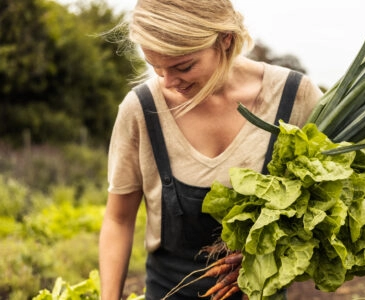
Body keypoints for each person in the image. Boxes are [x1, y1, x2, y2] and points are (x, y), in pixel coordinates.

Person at [98, 0, 323, 299]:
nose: (168, 82)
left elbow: (325, 209)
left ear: (225, 39)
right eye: (156, 67)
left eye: (183, 66)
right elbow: (118, 219)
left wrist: (275, 249)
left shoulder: (295, 99)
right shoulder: (141, 109)